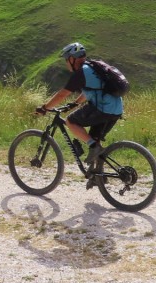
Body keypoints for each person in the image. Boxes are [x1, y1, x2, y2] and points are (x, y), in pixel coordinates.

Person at [35, 42, 123, 180]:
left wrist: (45, 107)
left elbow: (61, 94)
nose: (66, 63)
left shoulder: (81, 73)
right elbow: (90, 91)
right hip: (116, 110)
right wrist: (75, 104)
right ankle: (98, 177)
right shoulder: (93, 68)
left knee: (71, 121)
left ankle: (94, 147)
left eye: (66, 60)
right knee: (94, 139)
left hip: (103, 108)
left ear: (72, 59)